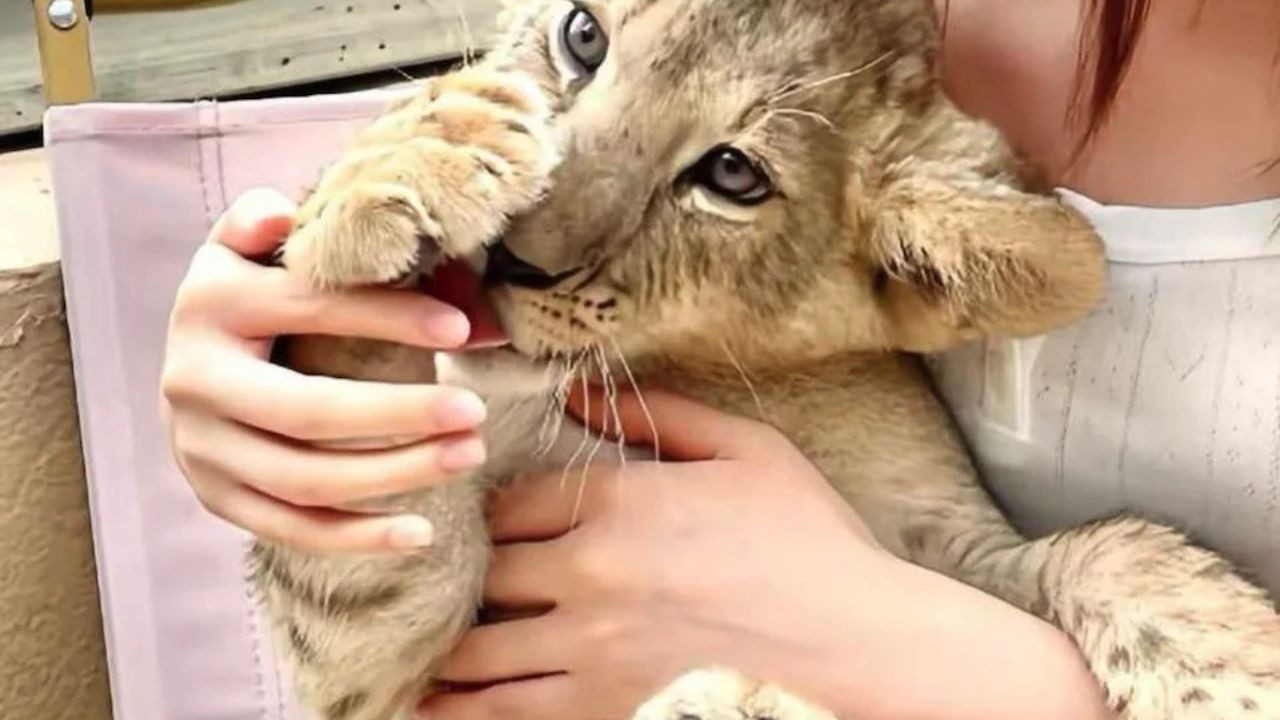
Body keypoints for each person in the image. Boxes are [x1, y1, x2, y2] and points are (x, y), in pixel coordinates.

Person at [160, 0, 1280, 718]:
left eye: (733, 179)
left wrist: (953, 672)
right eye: (586, 41)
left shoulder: (854, 293)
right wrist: (307, 345)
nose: (533, 234)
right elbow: (369, 672)